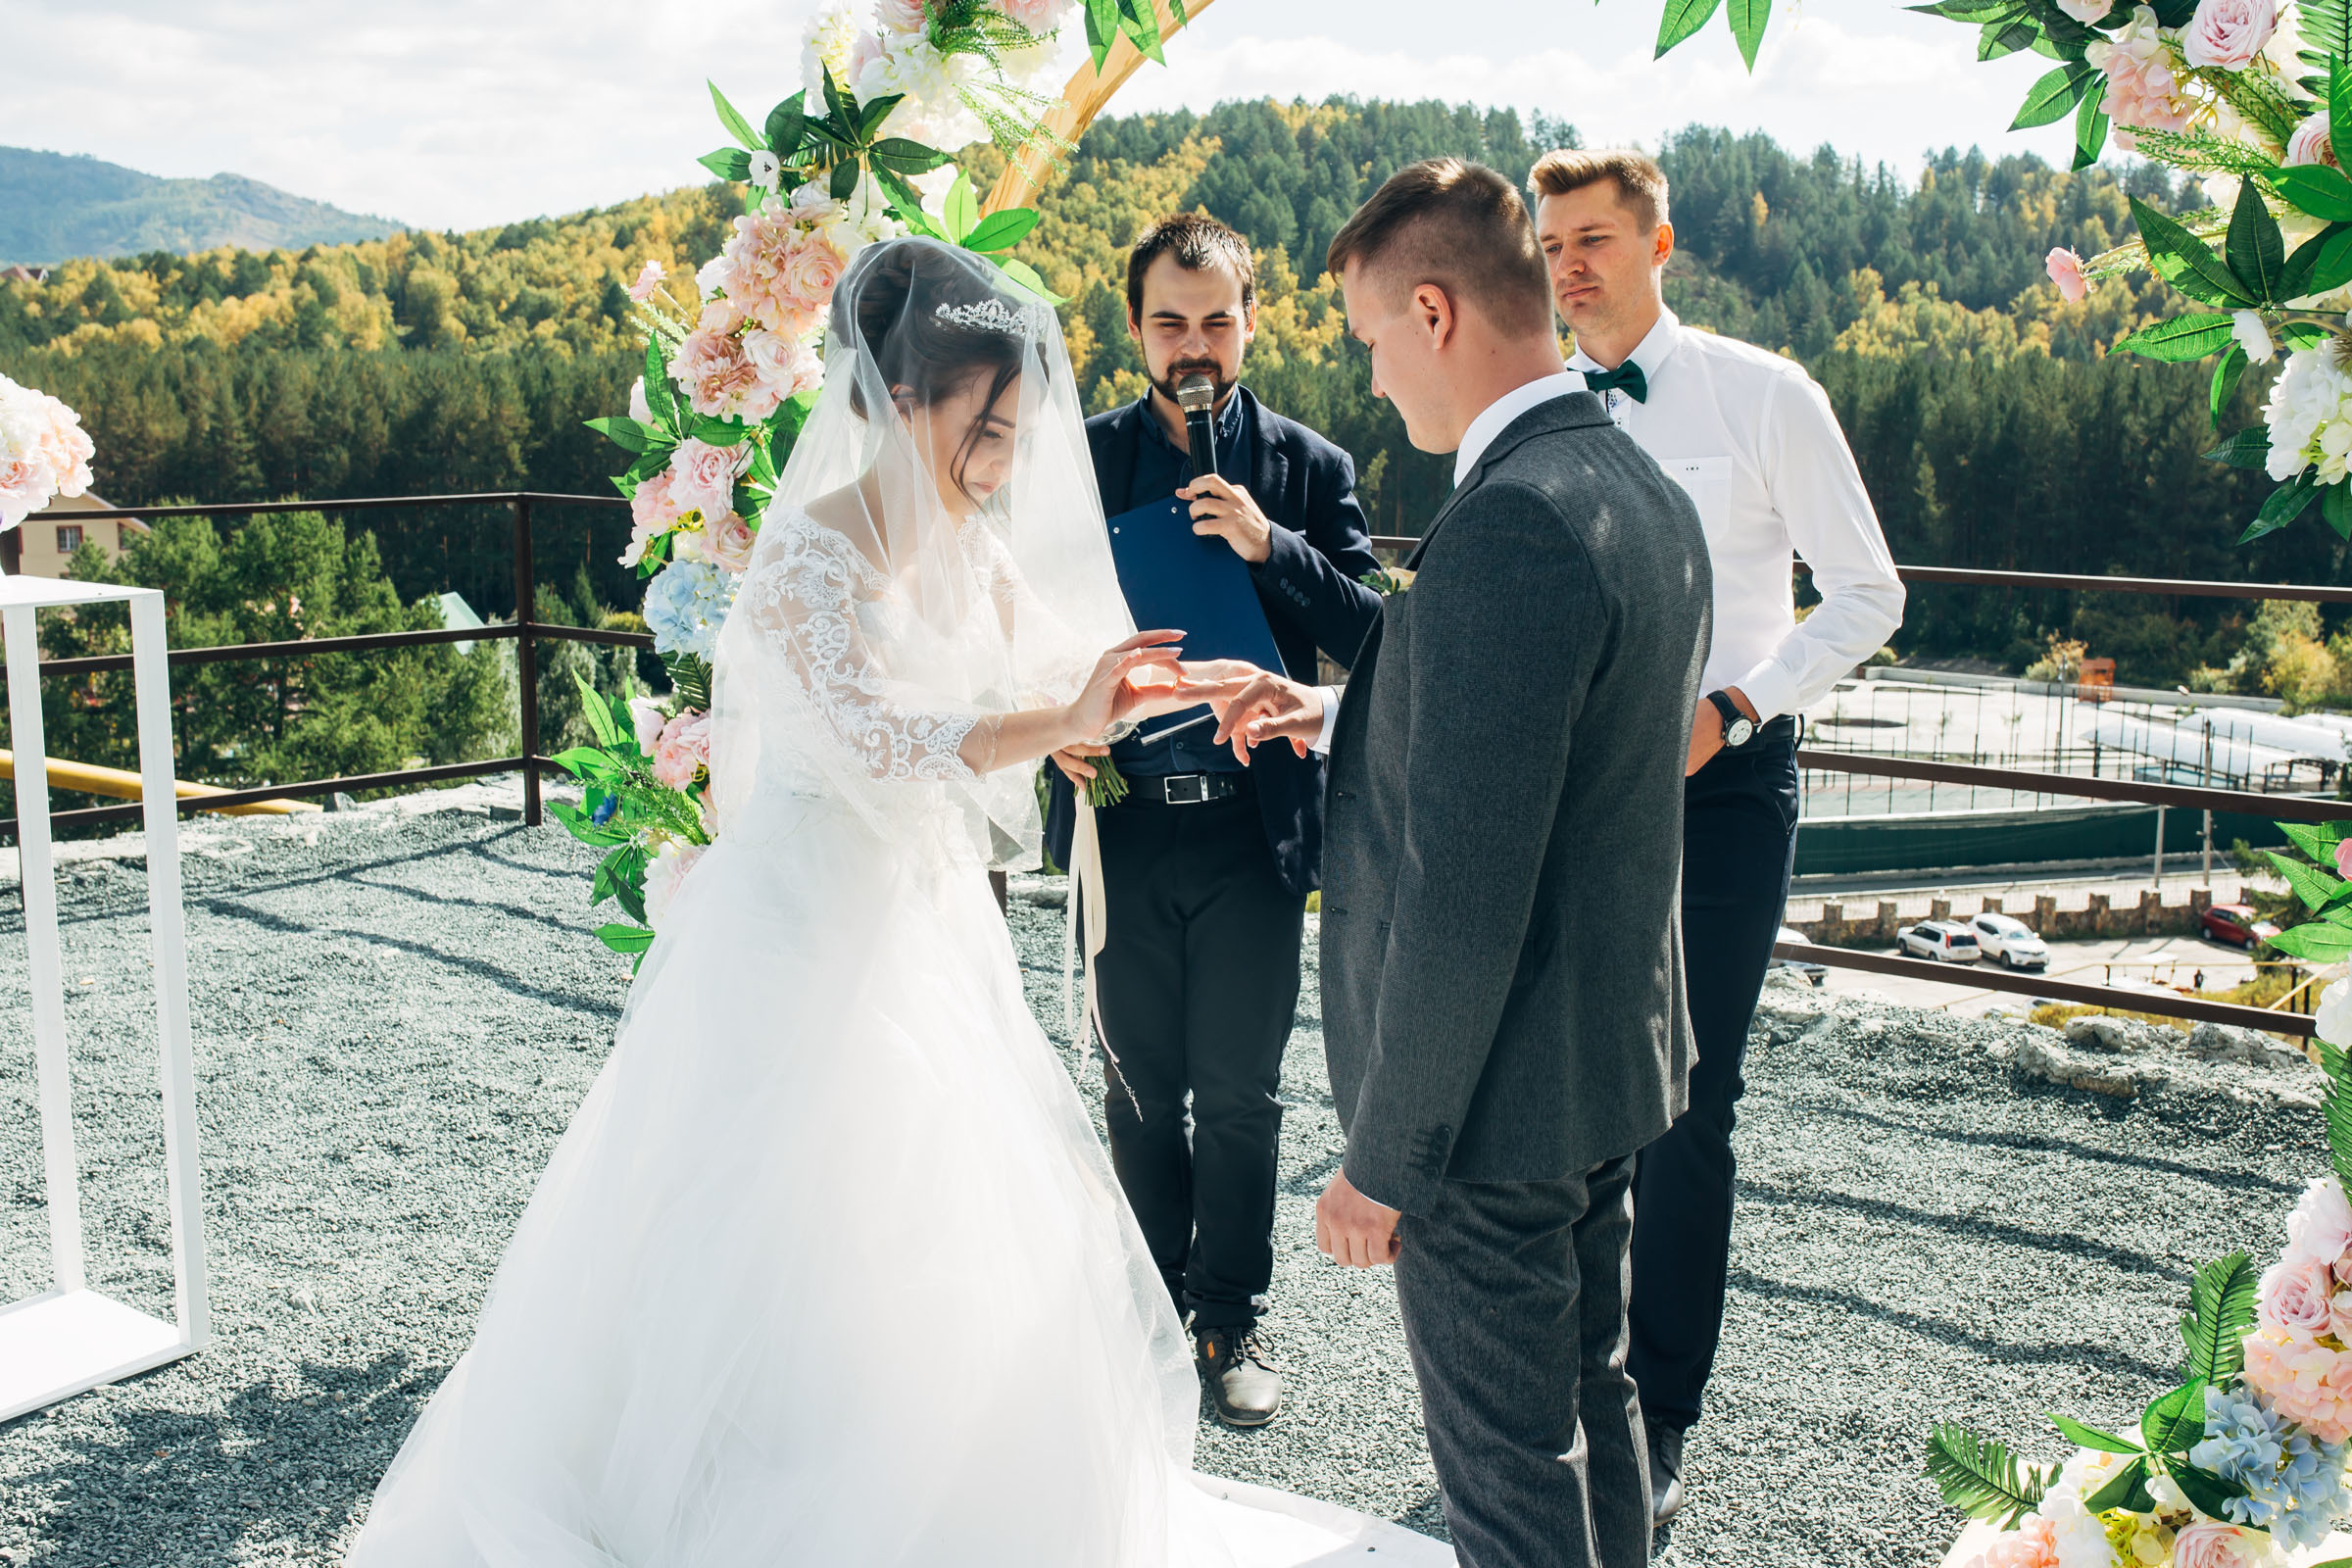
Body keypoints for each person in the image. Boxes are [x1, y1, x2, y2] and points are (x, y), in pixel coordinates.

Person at [345, 238, 1448, 1568]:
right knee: (788, 1202)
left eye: (1014, 426)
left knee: (929, 1211)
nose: (1002, 455)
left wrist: (1188, 686)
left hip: (926, 919)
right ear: (901, 401)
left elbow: (1058, 665)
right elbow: (877, 744)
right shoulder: (812, 555)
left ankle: (919, 1481)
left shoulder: (971, 540)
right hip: (805, 920)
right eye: (982, 425)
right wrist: (1059, 715)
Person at [1207, 158, 1712, 1568]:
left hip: (1489, 1112)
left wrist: (1385, 1162)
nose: (1374, 380)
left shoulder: (1511, 524)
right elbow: (1555, 741)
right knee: (1590, 1405)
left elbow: (1466, 890)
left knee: (1504, 1485)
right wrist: (1335, 708)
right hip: (1603, 1067)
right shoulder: (1631, 485)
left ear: (1431, 312)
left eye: (1372, 340)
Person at [1529, 147, 1907, 1525]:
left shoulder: (1764, 394)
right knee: (1569, 1094)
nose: (1570, 265)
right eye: (1552, 242)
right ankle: (1563, 1393)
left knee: (1687, 1106)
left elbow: (1870, 594)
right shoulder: (1533, 408)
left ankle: (1659, 1416)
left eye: (1595, 239)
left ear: (1659, 243)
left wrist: (1739, 705)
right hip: (1571, 792)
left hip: (1721, 786)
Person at [1040, 214, 1382, 1427]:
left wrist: (1269, 542)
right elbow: (1018, 622)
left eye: (1217, 320)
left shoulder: (1310, 468)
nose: (1196, 344)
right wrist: (1051, 723)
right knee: (1140, 1088)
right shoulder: (1075, 460)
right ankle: (1148, 1308)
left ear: (1252, 320)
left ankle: (1230, 1316)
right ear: (1134, 328)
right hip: (1122, 819)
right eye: (1171, 321)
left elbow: (1376, 639)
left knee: (1240, 1094)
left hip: (1252, 828)